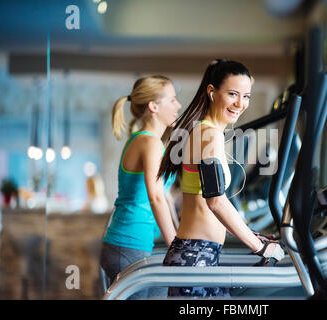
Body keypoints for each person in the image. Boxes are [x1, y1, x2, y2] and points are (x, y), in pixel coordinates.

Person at [157, 59, 285, 297]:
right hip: (195, 256)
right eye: (233, 94)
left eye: (246, 96)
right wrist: (259, 247)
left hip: (200, 254)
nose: (241, 103)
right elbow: (215, 200)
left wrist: (254, 236)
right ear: (212, 93)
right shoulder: (207, 135)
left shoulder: (207, 132)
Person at [100, 75, 181, 299]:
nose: (178, 105)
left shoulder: (150, 141)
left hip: (132, 244)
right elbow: (155, 197)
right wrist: (175, 246)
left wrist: (178, 238)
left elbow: (163, 197)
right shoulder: (149, 142)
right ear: (153, 106)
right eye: (172, 100)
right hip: (128, 245)